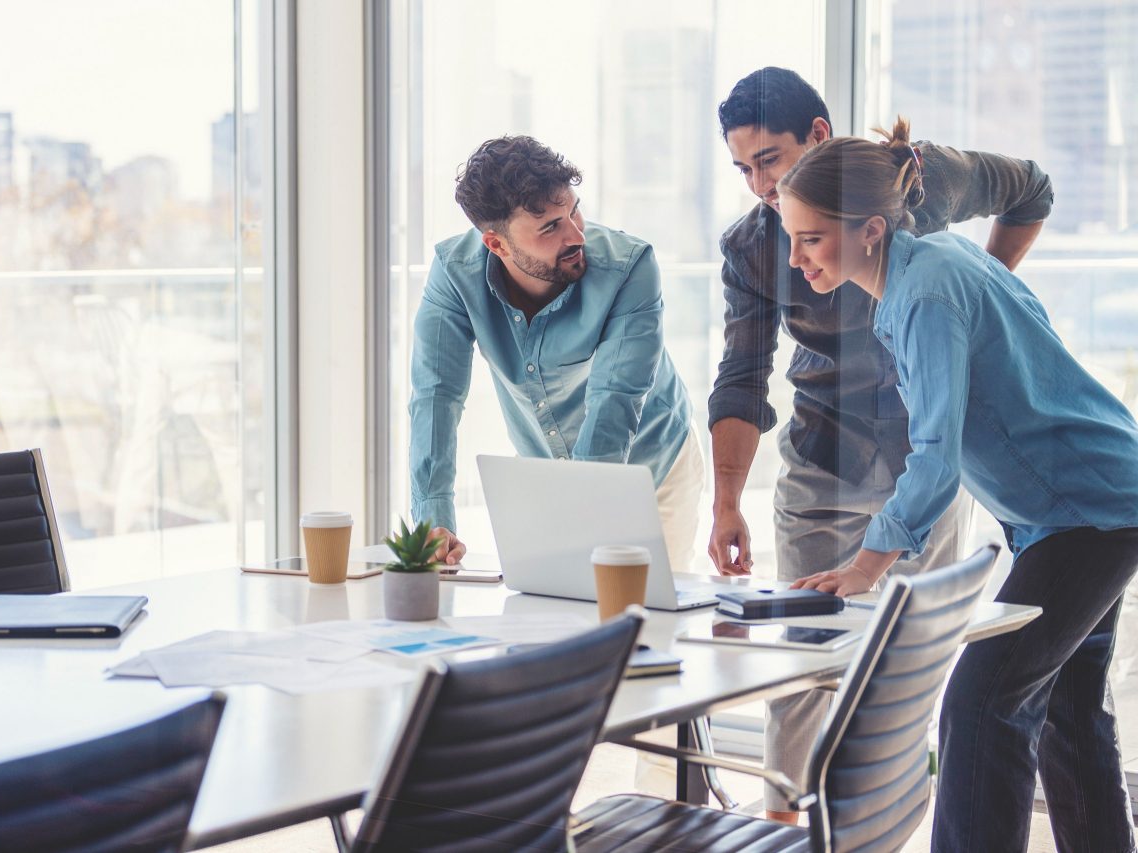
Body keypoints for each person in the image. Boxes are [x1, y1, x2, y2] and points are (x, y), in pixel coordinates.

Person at [706, 67, 1054, 822]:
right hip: (821, 456)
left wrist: (984, 286)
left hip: (924, 460)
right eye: (742, 168)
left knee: (912, 661)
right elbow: (741, 375)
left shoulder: (919, 181)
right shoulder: (752, 247)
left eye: (768, 159)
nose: (759, 185)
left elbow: (1032, 188)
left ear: (819, 138)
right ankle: (785, 825)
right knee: (799, 663)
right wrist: (727, 500)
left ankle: (881, 823)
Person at [780, 119, 1138, 853]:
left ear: (870, 230)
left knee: (983, 701)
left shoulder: (925, 295)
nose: (796, 257)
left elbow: (936, 455)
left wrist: (866, 565)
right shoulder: (933, 264)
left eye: (810, 238)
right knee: (1068, 706)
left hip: (1089, 513)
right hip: (1077, 506)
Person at [409, 135, 701, 570]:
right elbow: (436, 396)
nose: (576, 234)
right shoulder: (455, 274)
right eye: (550, 227)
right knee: (553, 615)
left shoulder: (629, 267)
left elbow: (614, 400)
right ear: (497, 245)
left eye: (573, 211)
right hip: (548, 471)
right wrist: (434, 523)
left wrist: (577, 521)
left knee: (643, 614)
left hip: (651, 465)